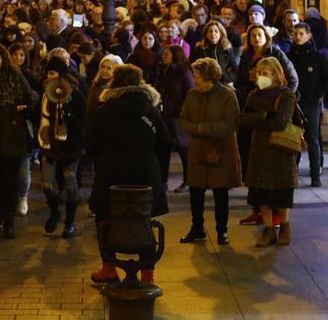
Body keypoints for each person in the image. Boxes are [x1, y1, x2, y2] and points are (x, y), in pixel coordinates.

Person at [87, 64, 169, 285]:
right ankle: (148, 276)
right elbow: (164, 141)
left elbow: (91, 145)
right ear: (141, 82)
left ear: (115, 82)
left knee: (105, 219)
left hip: (111, 175)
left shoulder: (104, 111)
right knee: (144, 222)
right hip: (145, 175)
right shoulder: (150, 110)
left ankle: (109, 269)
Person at [178, 57, 241, 245]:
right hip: (197, 150)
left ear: (208, 77)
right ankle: (197, 228)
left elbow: (230, 124)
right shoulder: (191, 94)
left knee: (220, 192)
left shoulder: (227, 95)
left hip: (221, 151)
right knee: (195, 191)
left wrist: (200, 129)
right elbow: (183, 119)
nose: (194, 79)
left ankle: (222, 230)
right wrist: (196, 129)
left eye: (196, 76)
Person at [238, 57, 300, 247]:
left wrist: (258, 119)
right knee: (261, 194)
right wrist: (261, 117)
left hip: (279, 151)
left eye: (264, 73)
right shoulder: (253, 96)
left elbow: (280, 122)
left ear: (275, 75)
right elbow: (243, 119)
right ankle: (268, 229)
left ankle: (285, 226)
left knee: (280, 194)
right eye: (258, 73)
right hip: (259, 150)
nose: (260, 77)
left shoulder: (286, 95)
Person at [0, 44, 37, 237]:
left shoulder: (15, 76)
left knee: (10, 180)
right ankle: (0, 215)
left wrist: (17, 112)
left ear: (3, 60)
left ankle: (9, 220)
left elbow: (31, 99)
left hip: (13, 135)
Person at [37, 56, 86, 241]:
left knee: (70, 185)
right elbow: (40, 117)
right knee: (47, 184)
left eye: (52, 73)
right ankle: (55, 211)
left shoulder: (76, 95)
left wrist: (65, 110)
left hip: (71, 147)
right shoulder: (45, 95)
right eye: (47, 73)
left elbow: (82, 122)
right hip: (50, 146)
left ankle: (70, 224)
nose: (48, 76)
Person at [287, 22, 328, 186]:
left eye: (301, 34)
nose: (298, 37)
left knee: (312, 139)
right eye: (295, 34)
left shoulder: (317, 57)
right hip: (292, 104)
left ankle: (315, 174)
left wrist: (319, 95)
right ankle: (292, 171)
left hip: (311, 104)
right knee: (292, 139)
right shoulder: (288, 56)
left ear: (309, 36)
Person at [155, 44, 194, 193]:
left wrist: (182, 112)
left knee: (183, 149)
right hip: (164, 116)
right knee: (163, 149)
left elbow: (190, 92)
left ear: (175, 55)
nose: (163, 56)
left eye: (166, 54)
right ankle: (162, 181)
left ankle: (188, 181)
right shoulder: (162, 70)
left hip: (178, 117)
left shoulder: (183, 72)